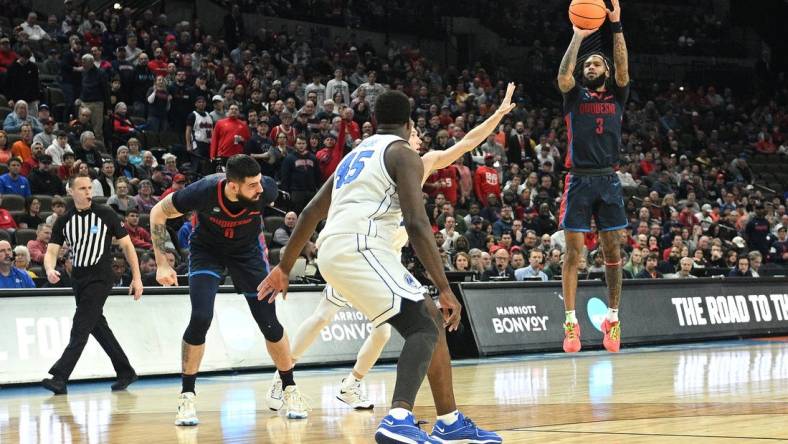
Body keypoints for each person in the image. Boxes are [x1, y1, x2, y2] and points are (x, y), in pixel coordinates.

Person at [258, 90, 509, 443]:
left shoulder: (355, 155)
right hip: (362, 246)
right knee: (426, 325)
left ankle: (449, 421)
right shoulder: (402, 152)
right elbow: (418, 223)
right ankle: (398, 417)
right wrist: (445, 286)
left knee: (425, 321)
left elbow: (313, 209)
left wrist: (285, 266)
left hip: (336, 250)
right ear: (409, 125)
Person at [149, 154, 310, 425]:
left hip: (247, 253)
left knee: (269, 322)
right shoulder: (203, 190)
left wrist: (283, 266)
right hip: (207, 251)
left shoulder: (265, 188)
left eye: (260, 183)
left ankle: (290, 388)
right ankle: (187, 397)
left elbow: (305, 213)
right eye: (252, 185)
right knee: (201, 317)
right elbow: (158, 213)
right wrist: (162, 262)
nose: (259, 190)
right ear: (232, 185)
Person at [555, 0, 629, 353]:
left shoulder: (618, 93)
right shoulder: (574, 96)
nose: (590, 66)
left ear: (606, 70)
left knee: (613, 249)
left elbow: (624, 70)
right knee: (573, 254)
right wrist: (578, 36)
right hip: (579, 179)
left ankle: (613, 320)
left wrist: (615, 26)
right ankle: (570, 324)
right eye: (588, 63)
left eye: (596, 62)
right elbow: (563, 76)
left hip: (608, 179)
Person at [41, 175, 143, 395]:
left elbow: (127, 245)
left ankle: (59, 377)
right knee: (97, 326)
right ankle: (126, 371)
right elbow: (51, 251)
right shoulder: (64, 219)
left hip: (100, 276)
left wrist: (137, 277)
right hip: (78, 278)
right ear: (71, 191)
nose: (88, 191)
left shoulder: (106, 213)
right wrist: (49, 269)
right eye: (82, 188)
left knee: (80, 326)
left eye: (89, 187)